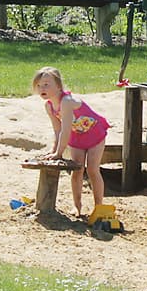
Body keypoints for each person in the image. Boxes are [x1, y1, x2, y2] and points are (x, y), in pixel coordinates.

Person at [31, 66, 109, 218]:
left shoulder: (66, 101)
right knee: (77, 170)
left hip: (94, 133)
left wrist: (59, 153)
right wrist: (54, 151)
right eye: (39, 85)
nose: (42, 88)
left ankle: (99, 206)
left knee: (93, 169)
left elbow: (65, 130)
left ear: (58, 85)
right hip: (77, 137)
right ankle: (77, 206)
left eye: (47, 84)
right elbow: (57, 130)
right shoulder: (49, 106)